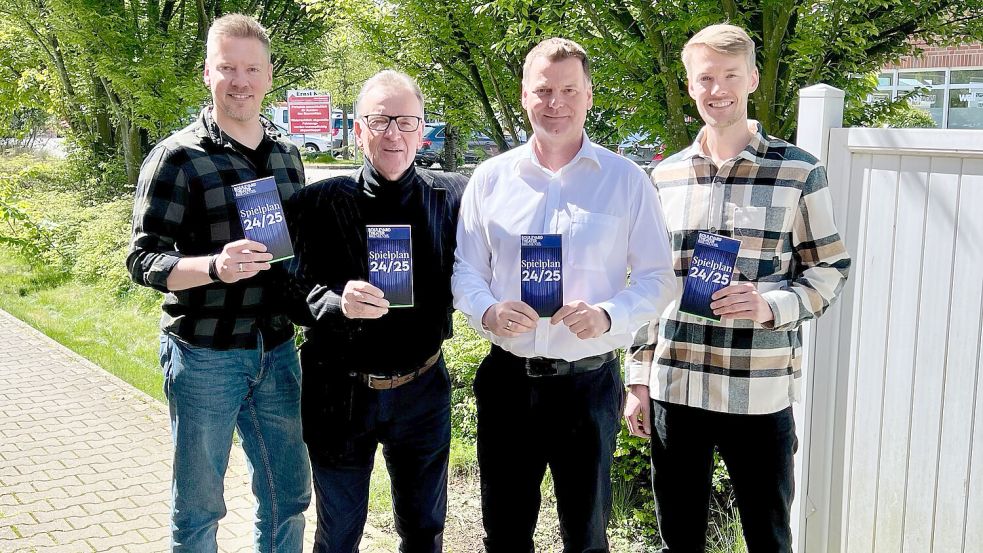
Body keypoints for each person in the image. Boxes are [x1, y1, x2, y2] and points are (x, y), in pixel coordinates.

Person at [622, 23, 852, 553]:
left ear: (751, 78)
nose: (717, 89)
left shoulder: (798, 172)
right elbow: (648, 283)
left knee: (768, 537)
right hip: (676, 385)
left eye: (729, 75)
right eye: (705, 78)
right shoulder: (665, 177)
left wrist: (770, 305)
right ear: (690, 86)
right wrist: (638, 375)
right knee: (679, 536)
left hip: (758, 390)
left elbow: (830, 268)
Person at [452, 37, 677, 552]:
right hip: (508, 383)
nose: (556, 102)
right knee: (505, 532)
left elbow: (658, 278)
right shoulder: (489, 180)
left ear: (589, 95)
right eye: (543, 90)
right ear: (524, 96)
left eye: (569, 89)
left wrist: (608, 315)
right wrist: (486, 309)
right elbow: (465, 269)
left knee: (588, 536)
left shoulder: (626, 181)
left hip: (589, 386)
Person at [126, 14, 311, 552]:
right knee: (200, 507)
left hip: (277, 351)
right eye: (227, 67)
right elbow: (143, 260)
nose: (240, 81)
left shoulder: (286, 155)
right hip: (205, 354)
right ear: (207, 73)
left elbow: (299, 258)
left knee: (290, 497)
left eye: (252, 68)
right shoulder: (177, 157)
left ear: (269, 75)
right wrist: (213, 267)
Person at [284, 70, 467, 553]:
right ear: (359, 129)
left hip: (422, 389)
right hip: (338, 394)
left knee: (425, 531)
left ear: (422, 130)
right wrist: (335, 302)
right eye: (380, 121)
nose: (394, 134)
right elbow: (286, 291)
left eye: (406, 122)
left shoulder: (452, 198)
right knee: (339, 535)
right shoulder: (314, 204)